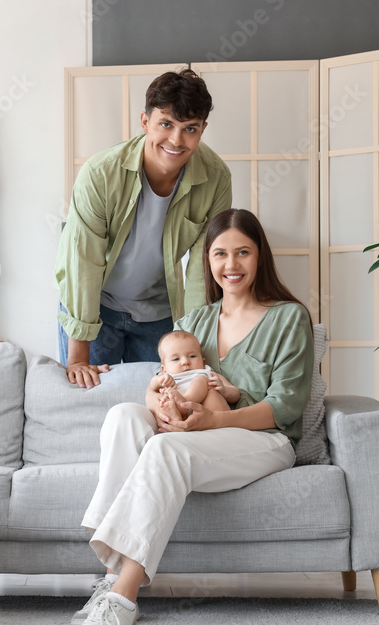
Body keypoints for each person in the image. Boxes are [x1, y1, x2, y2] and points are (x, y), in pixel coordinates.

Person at [65, 208, 313, 625]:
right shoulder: (193, 322)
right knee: (123, 415)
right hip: (197, 431)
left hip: (261, 438)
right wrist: (158, 408)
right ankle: (109, 575)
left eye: (243, 252)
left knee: (167, 452)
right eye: (220, 253)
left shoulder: (289, 317)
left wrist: (218, 420)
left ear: (261, 257)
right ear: (208, 260)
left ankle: (122, 599)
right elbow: (160, 383)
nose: (231, 265)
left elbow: (285, 407)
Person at [55, 68, 233, 388]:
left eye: (189, 129)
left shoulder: (216, 178)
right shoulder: (100, 173)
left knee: (160, 410)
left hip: (160, 314)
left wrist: (192, 349)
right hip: (96, 309)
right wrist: (79, 357)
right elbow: (82, 261)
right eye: (166, 124)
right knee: (91, 407)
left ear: (203, 129)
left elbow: (202, 269)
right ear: (145, 121)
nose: (176, 140)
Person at [148, 330, 230, 424]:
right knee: (165, 402)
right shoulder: (167, 376)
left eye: (192, 356)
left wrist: (225, 390)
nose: (185, 362)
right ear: (164, 368)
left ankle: (185, 401)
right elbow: (152, 386)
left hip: (208, 417)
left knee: (202, 380)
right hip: (179, 414)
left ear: (203, 362)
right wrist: (159, 380)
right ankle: (175, 417)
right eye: (176, 359)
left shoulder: (207, 373)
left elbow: (236, 392)